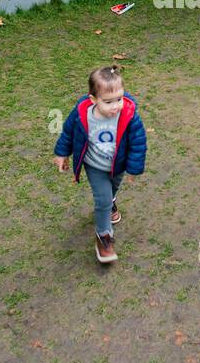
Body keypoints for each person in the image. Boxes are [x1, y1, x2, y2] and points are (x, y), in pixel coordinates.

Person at [53, 65, 147, 263]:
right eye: (108, 101)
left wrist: (134, 168)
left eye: (119, 99)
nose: (115, 106)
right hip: (94, 166)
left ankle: (111, 202)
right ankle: (103, 237)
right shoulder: (81, 114)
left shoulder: (129, 116)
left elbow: (138, 142)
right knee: (102, 199)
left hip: (117, 165)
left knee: (112, 190)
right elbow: (68, 132)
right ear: (93, 99)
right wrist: (62, 153)